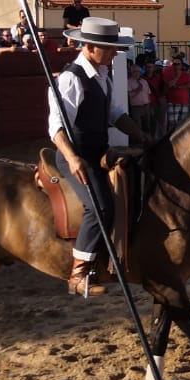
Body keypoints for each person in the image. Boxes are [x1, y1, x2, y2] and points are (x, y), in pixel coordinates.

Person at [48, 17, 146, 298]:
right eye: (109, 48)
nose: (115, 53)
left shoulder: (102, 74)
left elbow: (115, 113)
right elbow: (55, 126)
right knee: (99, 207)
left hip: (98, 152)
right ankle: (78, 274)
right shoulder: (71, 79)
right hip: (76, 155)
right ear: (90, 47)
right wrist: (73, 158)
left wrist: (140, 135)